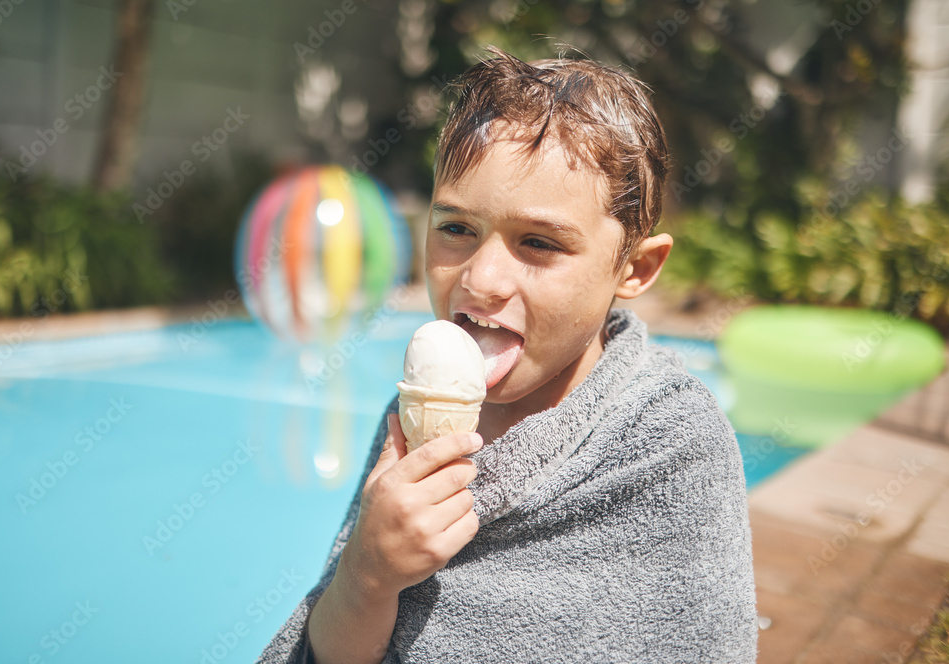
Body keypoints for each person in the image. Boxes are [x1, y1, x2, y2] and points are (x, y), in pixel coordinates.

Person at [258, 47, 757, 664]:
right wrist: (368, 573)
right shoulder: (410, 419)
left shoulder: (670, 444)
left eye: (539, 243)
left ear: (634, 267)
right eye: (457, 229)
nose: (482, 279)